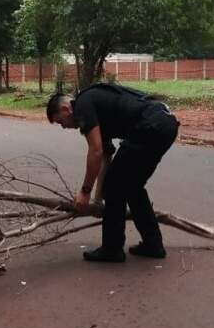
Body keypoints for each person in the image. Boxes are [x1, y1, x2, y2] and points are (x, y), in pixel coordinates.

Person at [46, 82, 179, 263]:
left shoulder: (83, 105)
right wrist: (98, 200)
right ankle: (153, 245)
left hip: (150, 126)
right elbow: (106, 156)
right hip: (165, 123)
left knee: (116, 186)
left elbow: (95, 151)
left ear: (66, 109)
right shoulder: (95, 108)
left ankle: (112, 249)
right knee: (132, 187)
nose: (64, 127)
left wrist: (85, 192)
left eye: (61, 121)